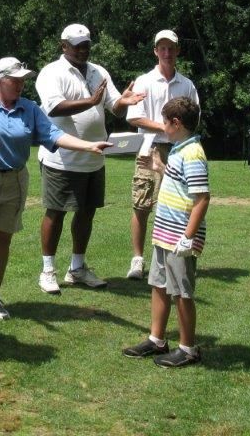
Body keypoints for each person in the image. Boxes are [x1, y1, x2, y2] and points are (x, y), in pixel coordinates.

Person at [0, 57, 111, 321]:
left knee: (2, 239)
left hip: (14, 181)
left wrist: (88, 146)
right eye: (15, 79)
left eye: (23, 79)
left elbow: (53, 134)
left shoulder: (30, 108)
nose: (21, 84)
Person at [35, 24, 146, 293]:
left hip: (95, 156)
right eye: (77, 45)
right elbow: (54, 106)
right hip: (61, 157)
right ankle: (48, 271)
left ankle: (77, 268)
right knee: (56, 212)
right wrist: (90, 100)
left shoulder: (99, 71)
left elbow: (114, 107)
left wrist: (125, 102)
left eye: (86, 44)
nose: (83, 49)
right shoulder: (52, 72)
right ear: (64, 46)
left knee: (87, 213)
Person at [121, 96, 209, 367]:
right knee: (158, 284)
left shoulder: (193, 154)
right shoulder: (180, 149)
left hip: (179, 238)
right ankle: (157, 339)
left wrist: (188, 237)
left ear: (176, 123)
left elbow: (202, 198)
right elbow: (177, 180)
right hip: (164, 235)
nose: (161, 127)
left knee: (181, 292)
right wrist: (159, 168)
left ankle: (188, 348)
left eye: (164, 122)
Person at [124, 30, 200, 279]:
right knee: (142, 203)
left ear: (178, 51)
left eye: (171, 48)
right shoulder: (144, 81)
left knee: (177, 204)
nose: (167, 53)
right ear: (156, 51)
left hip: (179, 149)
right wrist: (165, 126)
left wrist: (176, 130)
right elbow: (133, 116)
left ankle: (173, 255)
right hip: (150, 146)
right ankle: (137, 260)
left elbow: (195, 118)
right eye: (162, 48)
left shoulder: (187, 84)